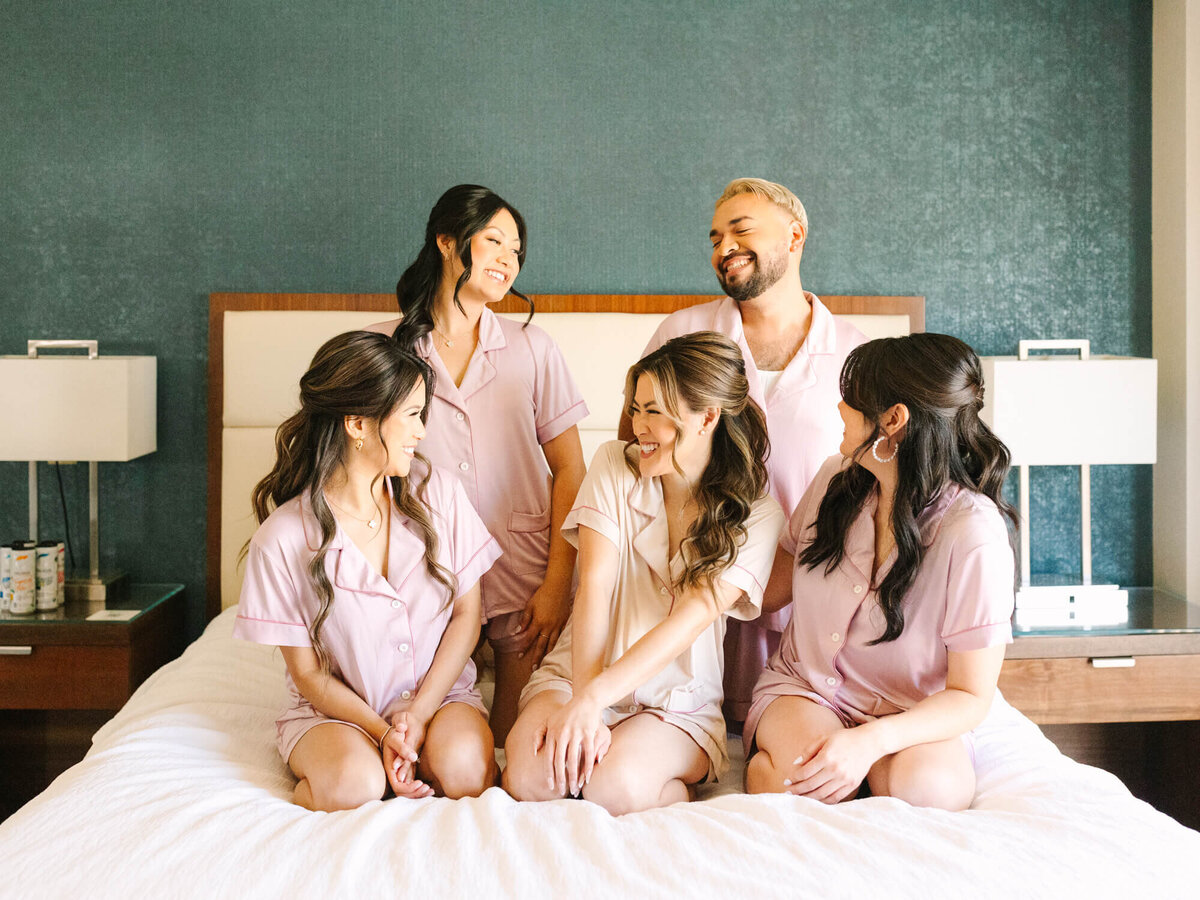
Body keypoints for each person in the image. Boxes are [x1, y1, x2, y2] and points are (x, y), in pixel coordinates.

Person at [504, 332, 784, 815]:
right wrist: (586, 701)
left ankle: (673, 789)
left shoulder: (756, 515)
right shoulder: (614, 464)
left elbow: (688, 622)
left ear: (707, 417)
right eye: (635, 409)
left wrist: (594, 702)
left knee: (614, 788)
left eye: (653, 411)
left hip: (677, 698)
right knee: (532, 779)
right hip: (579, 671)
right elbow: (594, 587)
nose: (638, 426)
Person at [623, 177, 867, 728]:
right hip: (694, 587)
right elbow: (637, 445)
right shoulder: (682, 334)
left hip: (810, 599)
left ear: (795, 236)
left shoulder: (855, 353)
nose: (723, 247)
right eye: (715, 238)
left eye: (740, 230)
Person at [744, 333, 1017, 810]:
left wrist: (870, 742)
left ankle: (871, 778)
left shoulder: (973, 534)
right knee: (805, 782)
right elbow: (768, 590)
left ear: (893, 420)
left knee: (930, 792)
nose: (839, 408)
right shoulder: (833, 480)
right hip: (809, 691)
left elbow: (972, 695)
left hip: (910, 713)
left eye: (851, 399)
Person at [233, 331, 502, 810]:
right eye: (412, 415)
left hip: (438, 698)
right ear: (357, 424)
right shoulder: (281, 540)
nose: (422, 432)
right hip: (335, 714)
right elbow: (309, 675)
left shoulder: (439, 492)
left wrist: (418, 715)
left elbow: (467, 616)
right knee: (354, 785)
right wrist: (382, 733)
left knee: (465, 770)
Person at [368, 185, 587, 746]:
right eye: (495, 242)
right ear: (447, 242)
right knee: (438, 744)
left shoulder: (533, 347)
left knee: (514, 741)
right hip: (423, 567)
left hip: (524, 566)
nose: (509, 260)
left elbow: (571, 469)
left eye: (517, 251)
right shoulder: (382, 349)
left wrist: (557, 584)